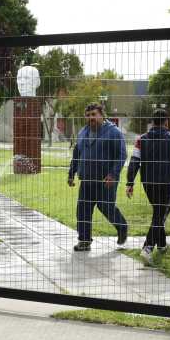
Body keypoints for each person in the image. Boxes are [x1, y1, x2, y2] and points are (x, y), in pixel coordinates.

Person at [67, 102, 128, 252]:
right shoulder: (82, 132)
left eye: (94, 114)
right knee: (82, 211)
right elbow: (77, 154)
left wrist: (113, 175)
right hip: (86, 179)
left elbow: (121, 155)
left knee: (107, 208)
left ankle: (122, 227)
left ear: (102, 115)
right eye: (88, 115)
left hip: (106, 181)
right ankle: (84, 241)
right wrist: (71, 173)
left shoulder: (114, 132)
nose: (90, 118)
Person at [126, 109, 170, 264]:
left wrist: (130, 183)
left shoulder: (141, 139)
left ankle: (161, 244)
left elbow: (134, 161)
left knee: (158, 212)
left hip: (148, 183)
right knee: (160, 215)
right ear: (166, 122)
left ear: (152, 122)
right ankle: (147, 248)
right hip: (166, 183)